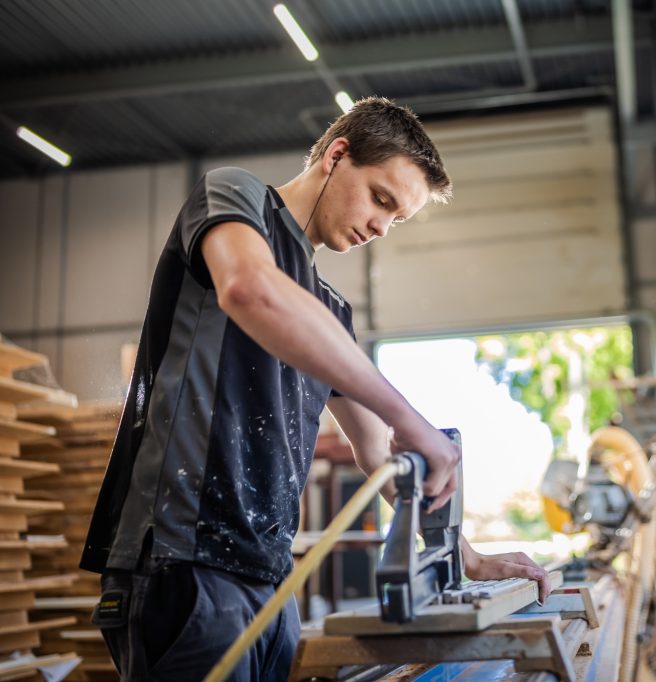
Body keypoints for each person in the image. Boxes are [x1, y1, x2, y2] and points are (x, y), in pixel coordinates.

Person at [81, 97, 552, 681]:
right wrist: (412, 419)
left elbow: (380, 455)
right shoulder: (235, 196)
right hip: (185, 560)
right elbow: (249, 290)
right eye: (381, 198)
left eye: (397, 218)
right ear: (336, 155)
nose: (381, 225)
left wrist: (467, 555)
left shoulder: (329, 309)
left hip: (271, 578)